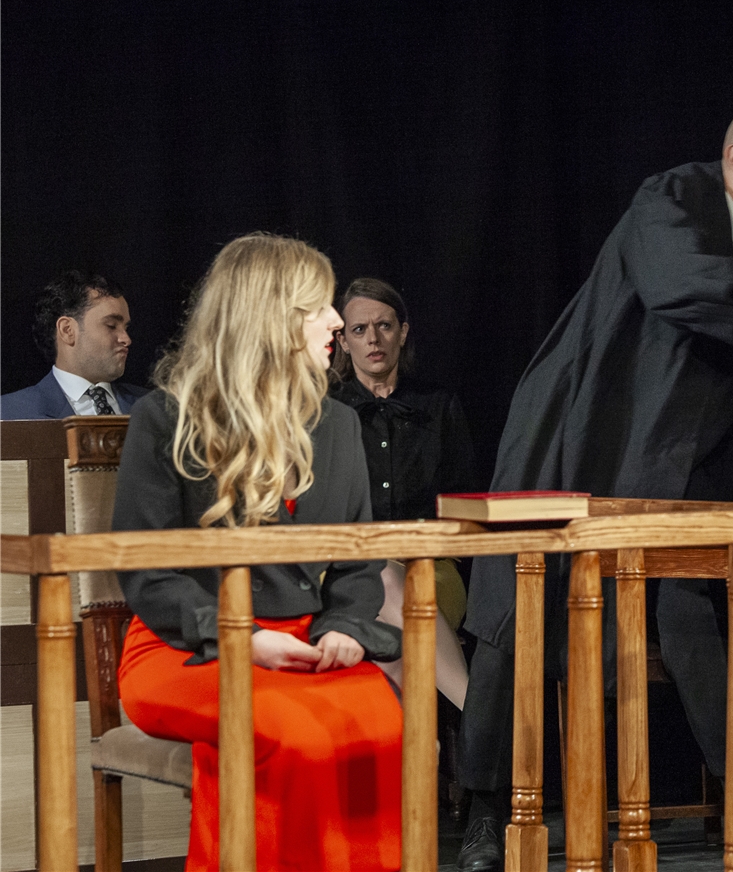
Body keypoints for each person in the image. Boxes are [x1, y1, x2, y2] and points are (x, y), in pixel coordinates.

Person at [456, 105, 733, 872]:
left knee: (691, 616)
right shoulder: (672, 197)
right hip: (578, 433)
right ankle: (487, 810)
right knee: (515, 617)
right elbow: (677, 284)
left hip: (672, 456)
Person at [113, 235, 404, 871]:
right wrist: (242, 637)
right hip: (186, 644)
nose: (337, 321)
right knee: (290, 730)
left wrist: (345, 627)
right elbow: (146, 570)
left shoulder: (338, 425)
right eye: (318, 306)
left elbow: (358, 560)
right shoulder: (166, 418)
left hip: (304, 642)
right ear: (270, 316)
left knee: (381, 723)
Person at [329, 276, 474, 710]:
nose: (373, 339)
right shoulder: (324, 413)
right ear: (343, 341)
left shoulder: (439, 405)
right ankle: (478, 719)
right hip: (348, 572)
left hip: (432, 569)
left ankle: (427, 741)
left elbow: (464, 503)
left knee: (394, 619)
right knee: (381, 579)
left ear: (403, 332)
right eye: (359, 329)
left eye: (384, 325)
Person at [1, 270, 146, 418]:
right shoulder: (9, 413)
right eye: (111, 326)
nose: (126, 339)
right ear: (67, 330)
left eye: (126, 328)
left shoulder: (153, 406)